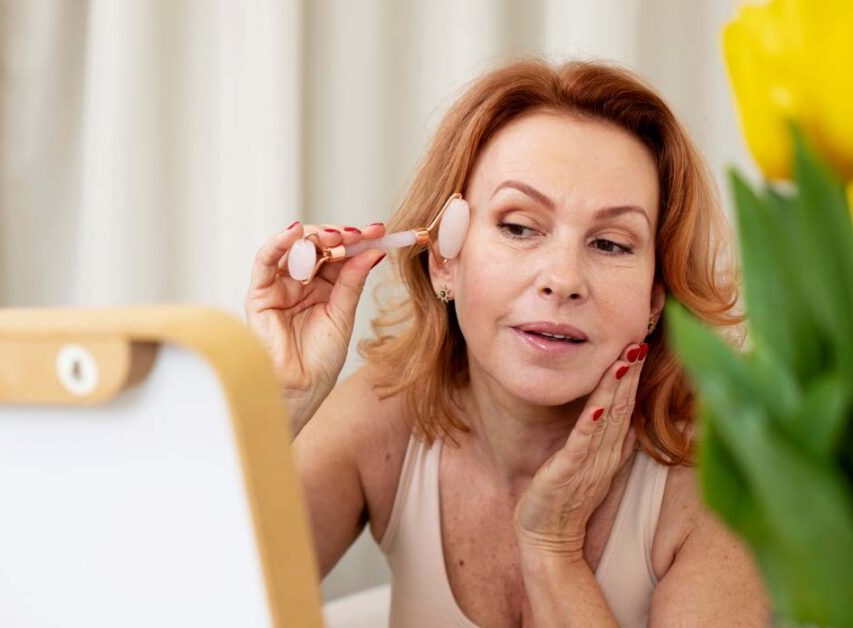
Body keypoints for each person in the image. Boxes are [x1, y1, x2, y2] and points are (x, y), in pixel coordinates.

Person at [244, 57, 771, 627]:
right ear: (444, 259)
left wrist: (552, 550)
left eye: (612, 244)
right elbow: (177, 604)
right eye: (519, 227)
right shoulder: (386, 417)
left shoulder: (715, 485)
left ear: (654, 299)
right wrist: (282, 407)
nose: (563, 279)